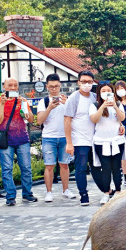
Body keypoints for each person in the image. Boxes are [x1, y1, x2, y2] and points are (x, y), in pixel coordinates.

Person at [0, 77, 36, 206]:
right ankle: (10, 196)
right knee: (6, 169)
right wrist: (2, 104)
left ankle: (27, 193)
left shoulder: (22, 100)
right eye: (9, 85)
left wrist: (25, 107)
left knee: (26, 168)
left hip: (22, 137)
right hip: (6, 140)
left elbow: (31, 120)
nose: (12, 88)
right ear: (4, 87)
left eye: (15, 85)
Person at [37, 74, 75, 202]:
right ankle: (49, 192)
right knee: (49, 165)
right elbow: (39, 121)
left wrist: (67, 103)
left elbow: (75, 117)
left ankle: (66, 190)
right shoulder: (44, 102)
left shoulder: (67, 100)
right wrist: (49, 108)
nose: (54, 89)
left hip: (64, 137)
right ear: (47, 86)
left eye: (56, 86)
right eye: (51, 86)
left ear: (60, 86)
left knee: (64, 164)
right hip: (49, 137)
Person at [64, 70, 100, 206]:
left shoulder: (95, 97)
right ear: (78, 82)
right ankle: (83, 194)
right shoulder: (73, 98)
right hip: (79, 139)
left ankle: (106, 190)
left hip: (95, 138)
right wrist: (69, 143)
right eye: (83, 81)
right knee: (81, 167)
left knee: (96, 166)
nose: (86, 84)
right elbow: (67, 120)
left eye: (89, 82)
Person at [90, 82, 126, 204]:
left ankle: (118, 190)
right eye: (103, 91)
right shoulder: (94, 105)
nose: (106, 93)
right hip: (101, 141)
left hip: (116, 140)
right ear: (99, 93)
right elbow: (94, 119)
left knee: (116, 167)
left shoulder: (117, 104)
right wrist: (103, 106)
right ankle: (106, 192)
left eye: (108, 91)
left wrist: (115, 107)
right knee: (105, 168)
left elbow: (122, 118)